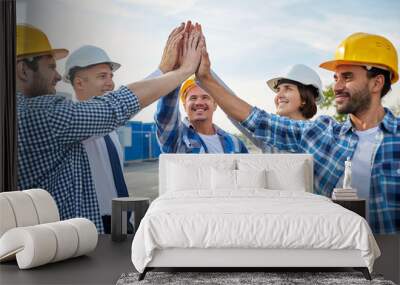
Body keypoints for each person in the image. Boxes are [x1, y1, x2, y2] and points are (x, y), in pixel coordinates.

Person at [195, 32, 399, 235]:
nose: (336, 87)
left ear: (377, 83)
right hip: (337, 255)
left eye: (347, 77)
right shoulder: (320, 134)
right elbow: (254, 119)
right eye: (335, 78)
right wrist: (205, 77)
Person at [16, 22, 204, 232]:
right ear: (23, 70)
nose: (57, 76)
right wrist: (180, 71)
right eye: (51, 67)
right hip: (91, 228)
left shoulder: (103, 131)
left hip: (117, 223)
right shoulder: (46, 118)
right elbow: (116, 106)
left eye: (111, 76)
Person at [153, 23, 248, 154]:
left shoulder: (235, 144)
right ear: (184, 105)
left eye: (205, 97)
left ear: (215, 105)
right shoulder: (176, 140)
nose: (199, 102)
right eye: (193, 98)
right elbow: (165, 116)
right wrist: (177, 68)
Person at [63, 45, 128, 233]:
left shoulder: (110, 131)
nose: (111, 84)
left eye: (111, 76)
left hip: (121, 222)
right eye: (102, 77)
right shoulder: (71, 127)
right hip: (95, 225)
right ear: (79, 83)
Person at [228, 64, 323, 152]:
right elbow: (234, 107)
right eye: (278, 90)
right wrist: (212, 79)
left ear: (304, 99)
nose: (279, 95)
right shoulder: (269, 135)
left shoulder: (319, 136)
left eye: (288, 88)